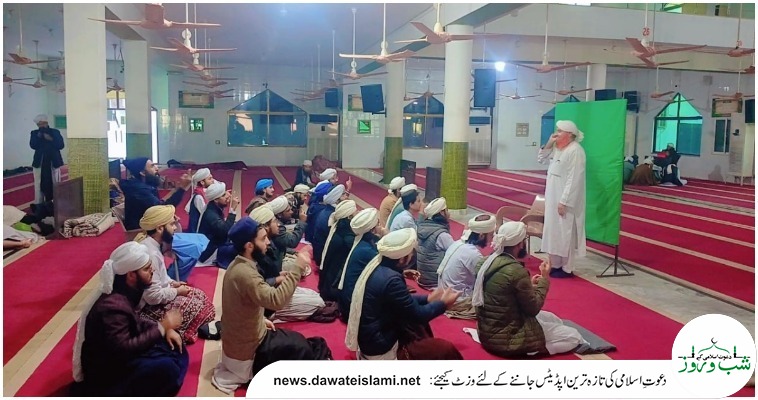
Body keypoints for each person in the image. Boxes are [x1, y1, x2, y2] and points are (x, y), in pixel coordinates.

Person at [212, 218, 331, 394]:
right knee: (301, 347)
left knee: (301, 342)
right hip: (247, 349)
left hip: (245, 335)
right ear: (249, 246)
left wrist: (260, 320)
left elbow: (241, 306)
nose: (268, 242)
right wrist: (297, 268)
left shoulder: (239, 264)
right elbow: (276, 301)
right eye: (263, 239)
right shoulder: (245, 273)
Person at [71, 242, 188, 396]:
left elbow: (136, 320)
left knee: (173, 346)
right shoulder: (111, 306)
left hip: (120, 356)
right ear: (131, 275)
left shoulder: (124, 291)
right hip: (108, 372)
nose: (152, 271)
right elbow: (124, 349)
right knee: (167, 368)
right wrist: (161, 328)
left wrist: (165, 329)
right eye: (146, 269)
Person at [346, 228, 463, 360]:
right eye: (411, 253)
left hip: (374, 336)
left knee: (419, 329)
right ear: (402, 259)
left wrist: (428, 298)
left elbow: (404, 301)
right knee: (445, 349)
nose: (412, 256)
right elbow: (418, 315)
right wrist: (443, 304)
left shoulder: (379, 266)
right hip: (381, 345)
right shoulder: (391, 280)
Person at [472, 222, 587, 357]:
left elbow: (503, 292)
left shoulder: (484, 263)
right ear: (520, 244)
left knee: (553, 318)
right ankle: (536, 349)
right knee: (574, 336)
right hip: (509, 339)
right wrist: (544, 279)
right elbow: (533, 309)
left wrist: (528, 285)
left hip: (487, 333)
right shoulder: (515, 270)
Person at [135, 205, 216, 344]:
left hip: (159, 295)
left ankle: (188, 327)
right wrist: (177, 291)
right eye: (172, 224)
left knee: (200, 296)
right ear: (160, 228)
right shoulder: (151, 253)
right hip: (146, 308)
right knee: (197, 306)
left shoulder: (154, 245)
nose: (174, 228)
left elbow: (161, 276)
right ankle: (177, 333)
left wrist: (173, 283)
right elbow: (152, 297)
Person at [249, 206, 325, 322]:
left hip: (274, 288)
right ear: (265, 227)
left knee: (314, 295)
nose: (278, 224)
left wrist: (278, 276)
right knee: (319, 303)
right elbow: (256, 287)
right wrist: (278, 278)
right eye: (274, 221)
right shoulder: (255, 254)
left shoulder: (266, 244)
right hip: (269, 302)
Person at [537, 120, 587, 278]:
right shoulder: (557, 148)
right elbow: (541, 159)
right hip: (552, 197)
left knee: (565, 232)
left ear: (570, 135)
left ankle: (566, 268)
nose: (556, 133)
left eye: (560, 131)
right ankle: (555, 264)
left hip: (565, 200)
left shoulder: (576, 151)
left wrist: (564, 201)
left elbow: (574, 179)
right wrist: (549, 143)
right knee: (554, 232)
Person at [437, 214, 496, 319]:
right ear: (481, 236)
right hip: (457, 301)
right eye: (491, 235)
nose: (492, 238)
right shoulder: (473, 254)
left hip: (443, 294)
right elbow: (485, 279)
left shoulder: (457, 243)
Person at [337, 208, 383, 322]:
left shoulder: (362, 240)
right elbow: (384, 269)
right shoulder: (366, 250)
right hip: (352, 304)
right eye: (378, 223)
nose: (381, 226)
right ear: (372, 229)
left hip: (346, 299)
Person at [120, 157, 190, 230]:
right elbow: (161, 209)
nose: (157, 168)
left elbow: (160, 203)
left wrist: (176, 189)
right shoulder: (139, 190)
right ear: (143, 173)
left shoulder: (144, 185)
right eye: (152, 166)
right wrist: (182, 188)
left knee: (176, 225)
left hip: (148, 222)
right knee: (176, 227)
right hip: (142, 230)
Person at [319, 199, 358, 302]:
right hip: (334, 283)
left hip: (327, 279)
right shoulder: (347, 237)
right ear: (349, 217)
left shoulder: (338, 226)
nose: (358, 213)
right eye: (356, 211)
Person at [415, 197, 455, 289]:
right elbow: (456, 252)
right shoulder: (441, 235)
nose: (449, 213)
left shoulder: (422, 227)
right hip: (435, 282)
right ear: (442, 212)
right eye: (447, 210)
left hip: (422, 278)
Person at [198, 181, 240, 268]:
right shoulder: (210, 214)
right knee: (242, 248)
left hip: (216, 244)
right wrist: (232, 209)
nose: (228, 196)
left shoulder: (214, 207)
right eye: (224, 195)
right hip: (210, 252)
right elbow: (225, 231)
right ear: (216, 200)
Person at [29, 114, 65, 204]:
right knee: (38, 184)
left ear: (46, 123)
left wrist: (50, 139)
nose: (41, 126)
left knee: (55, 183)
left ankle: (55, 204)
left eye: (43, 124)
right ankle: (39, 205)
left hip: (53, 162)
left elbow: (61, 145)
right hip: (39, 162)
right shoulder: (34, 133)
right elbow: (33, 145)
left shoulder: (55, 132)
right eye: (39, 124)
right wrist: (38, 137)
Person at [312, 184, 349, 269]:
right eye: (343, 194)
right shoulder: (332, 216)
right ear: (337, 199)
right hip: (324, 258)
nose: (347, 197)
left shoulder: (328, 210)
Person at [185, 168, 214, 232]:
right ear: (202, 182)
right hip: (198, 231)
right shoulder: (199, 197)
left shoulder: (204, 192)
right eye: (210, 179)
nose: (213, 180)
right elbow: (206, 214)